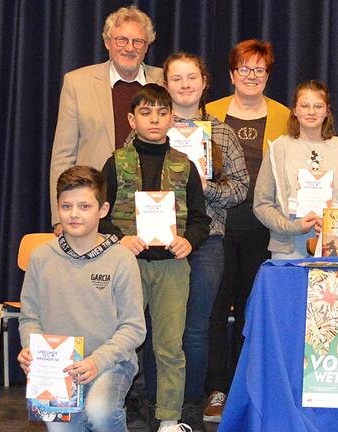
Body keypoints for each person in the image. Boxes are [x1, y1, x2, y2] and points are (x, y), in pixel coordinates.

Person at [99, 83, 211, 432]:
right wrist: (121, 239)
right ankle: (109, 408)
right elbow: (100, 215)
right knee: (121, 342)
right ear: (131, 119)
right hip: (126, 266)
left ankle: (169, 418)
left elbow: (199, 219)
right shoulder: (115, 163)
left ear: (172, 119)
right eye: (146, 113)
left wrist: (189, 242)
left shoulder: (185, 164)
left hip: (171, 267)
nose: (155, 119)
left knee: (169, 347)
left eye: (163, 113)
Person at [18, 165, 146, 432]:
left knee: (99, 412)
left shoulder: (121, 259)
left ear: (103, 209)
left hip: (111, 364)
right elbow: (30, 316)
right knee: (61, 427)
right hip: (58, 369)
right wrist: (32, 351)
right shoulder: (41, 258)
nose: (74, 214)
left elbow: (133, 328)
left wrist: (96, 361)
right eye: (66, 206)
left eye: (84, 206)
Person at [203, 40, 290, 422]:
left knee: (252, 313)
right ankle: (217, 390)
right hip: (218, 227)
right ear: (231, 74)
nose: (251, 76)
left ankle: (246, 387)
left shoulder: (286, 116)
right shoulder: (210, 113)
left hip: (263, 230)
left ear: (268, 76)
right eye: (244, 69)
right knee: (215, 312)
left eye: (259, 70)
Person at [162, 52, 250, 430]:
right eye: (177, 78)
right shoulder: (151, 127)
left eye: (191, 77)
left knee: (196, 328)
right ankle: (157, 404)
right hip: (159, 241)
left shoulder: (223, 133)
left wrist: (203, 186)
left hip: (209, 241)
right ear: (166, 84)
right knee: (160, 326)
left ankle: (191, 408)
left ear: (204, 82)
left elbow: (240, 189)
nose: (184, 85)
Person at [50, 5, 163, 233]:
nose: (129, 48)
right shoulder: (77, 82)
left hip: (154, 205)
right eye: (121, 40)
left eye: (137, 41)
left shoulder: (165, 80)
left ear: (147, 46)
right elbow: (63, 155)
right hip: (92, 203)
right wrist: (59, 217)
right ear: (107, 42)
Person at [253, 80, 338, 259]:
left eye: (318, 106)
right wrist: (293, 226)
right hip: (288, 244)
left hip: (334, 243)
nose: (312, 112)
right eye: (305, 106)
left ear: (327, 110)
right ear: (294, 111)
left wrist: (333, 225)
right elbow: (261, 204)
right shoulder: (278, 148)